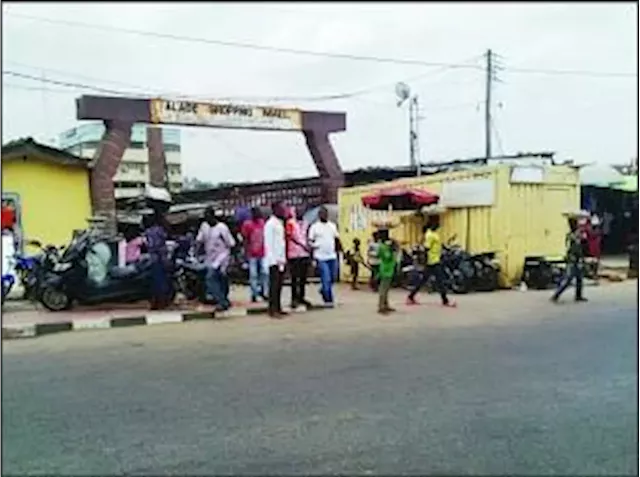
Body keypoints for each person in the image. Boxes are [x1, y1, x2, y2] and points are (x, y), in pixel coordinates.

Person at [406, 216, 455, 307]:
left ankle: (411, 297)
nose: (439, 225)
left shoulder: (433, 233)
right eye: (437, 223)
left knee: (423, 280)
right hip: (432, 260)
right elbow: (427, 247)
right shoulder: (430, 235)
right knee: (440, 281)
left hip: (435, 259)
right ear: (433, 224)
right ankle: (445, 301)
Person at [196, 207, 236, 312]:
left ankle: (221, 302)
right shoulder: (204, 227)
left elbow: (231, 243)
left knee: (211, 279)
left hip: (222, 258)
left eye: (208, 216)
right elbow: (199, 240)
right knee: (219, 280)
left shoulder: (222, 228)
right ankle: (224, 300)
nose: (206, 219)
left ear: (213, 216)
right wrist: (196, 252)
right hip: (210, 258)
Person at [308, 206, 342, 306]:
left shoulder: (332, 226)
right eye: (321, 214)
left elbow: (337, 239)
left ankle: (323, 290)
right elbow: (310, 241)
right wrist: (314, 248)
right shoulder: (314, 227)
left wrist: (341, 251)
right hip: (320, 256)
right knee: (326, 277)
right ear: (319, 215)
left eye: (325, 214)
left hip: (332, 256)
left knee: (332, 277)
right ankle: (329, 299)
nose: (324, 215)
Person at [551, 217, 588, 303]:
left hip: (575, 258)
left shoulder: (573, 234)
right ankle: (556, 295)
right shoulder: (573, 235)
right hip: (573, 259)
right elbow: (575, 247)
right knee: (569, 279)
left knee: (579, 278)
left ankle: (578, 296)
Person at [143, 212, 174, 310]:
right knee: (161, 282)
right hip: (159, 259)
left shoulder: (150, 232)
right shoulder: (159, 230)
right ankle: (161, 302)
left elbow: (156, 246)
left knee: (158, 282)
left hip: (156, 259)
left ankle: (159, 303)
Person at [264, 202, 287, 318]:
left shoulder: (280, 223)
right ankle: (272, 309)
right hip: (273, 261)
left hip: (281, 259)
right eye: (281, 208)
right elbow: (268, 244)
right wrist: (273, 261)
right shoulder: (270, 224)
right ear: (274, 209)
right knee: (273, 286)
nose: (283, 210)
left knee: (279, 286)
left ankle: (278, 307)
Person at [285, 206, 312, 309]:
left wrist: (308, 246)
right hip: (293, 254)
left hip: (304, 254)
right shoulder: (290, 223)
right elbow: (289, 236)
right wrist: (302, 245)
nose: (300, 213)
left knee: (303, 278)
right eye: (299, 211)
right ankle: (294, 299)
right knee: (294, 278)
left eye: (302, 211)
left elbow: (308, 236)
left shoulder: (306, 223)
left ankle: (301, 297)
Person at [240, 207, 268, 303]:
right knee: (253, 275)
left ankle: (264, 292)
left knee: (265, 273)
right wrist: (246, 252)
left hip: (263, 252)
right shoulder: (247, 224)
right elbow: (245, 239)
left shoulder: (262, 223)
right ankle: (254, 294)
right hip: (252, 253)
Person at [376, 228, 397, 314]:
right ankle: (381, 306)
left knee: (386, 288)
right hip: (386, 269)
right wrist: (392, 249)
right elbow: (387, 256)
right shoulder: (383, 246)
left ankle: (385, 304)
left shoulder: (383, 245)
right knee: (383, 289)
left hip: (388, 268)